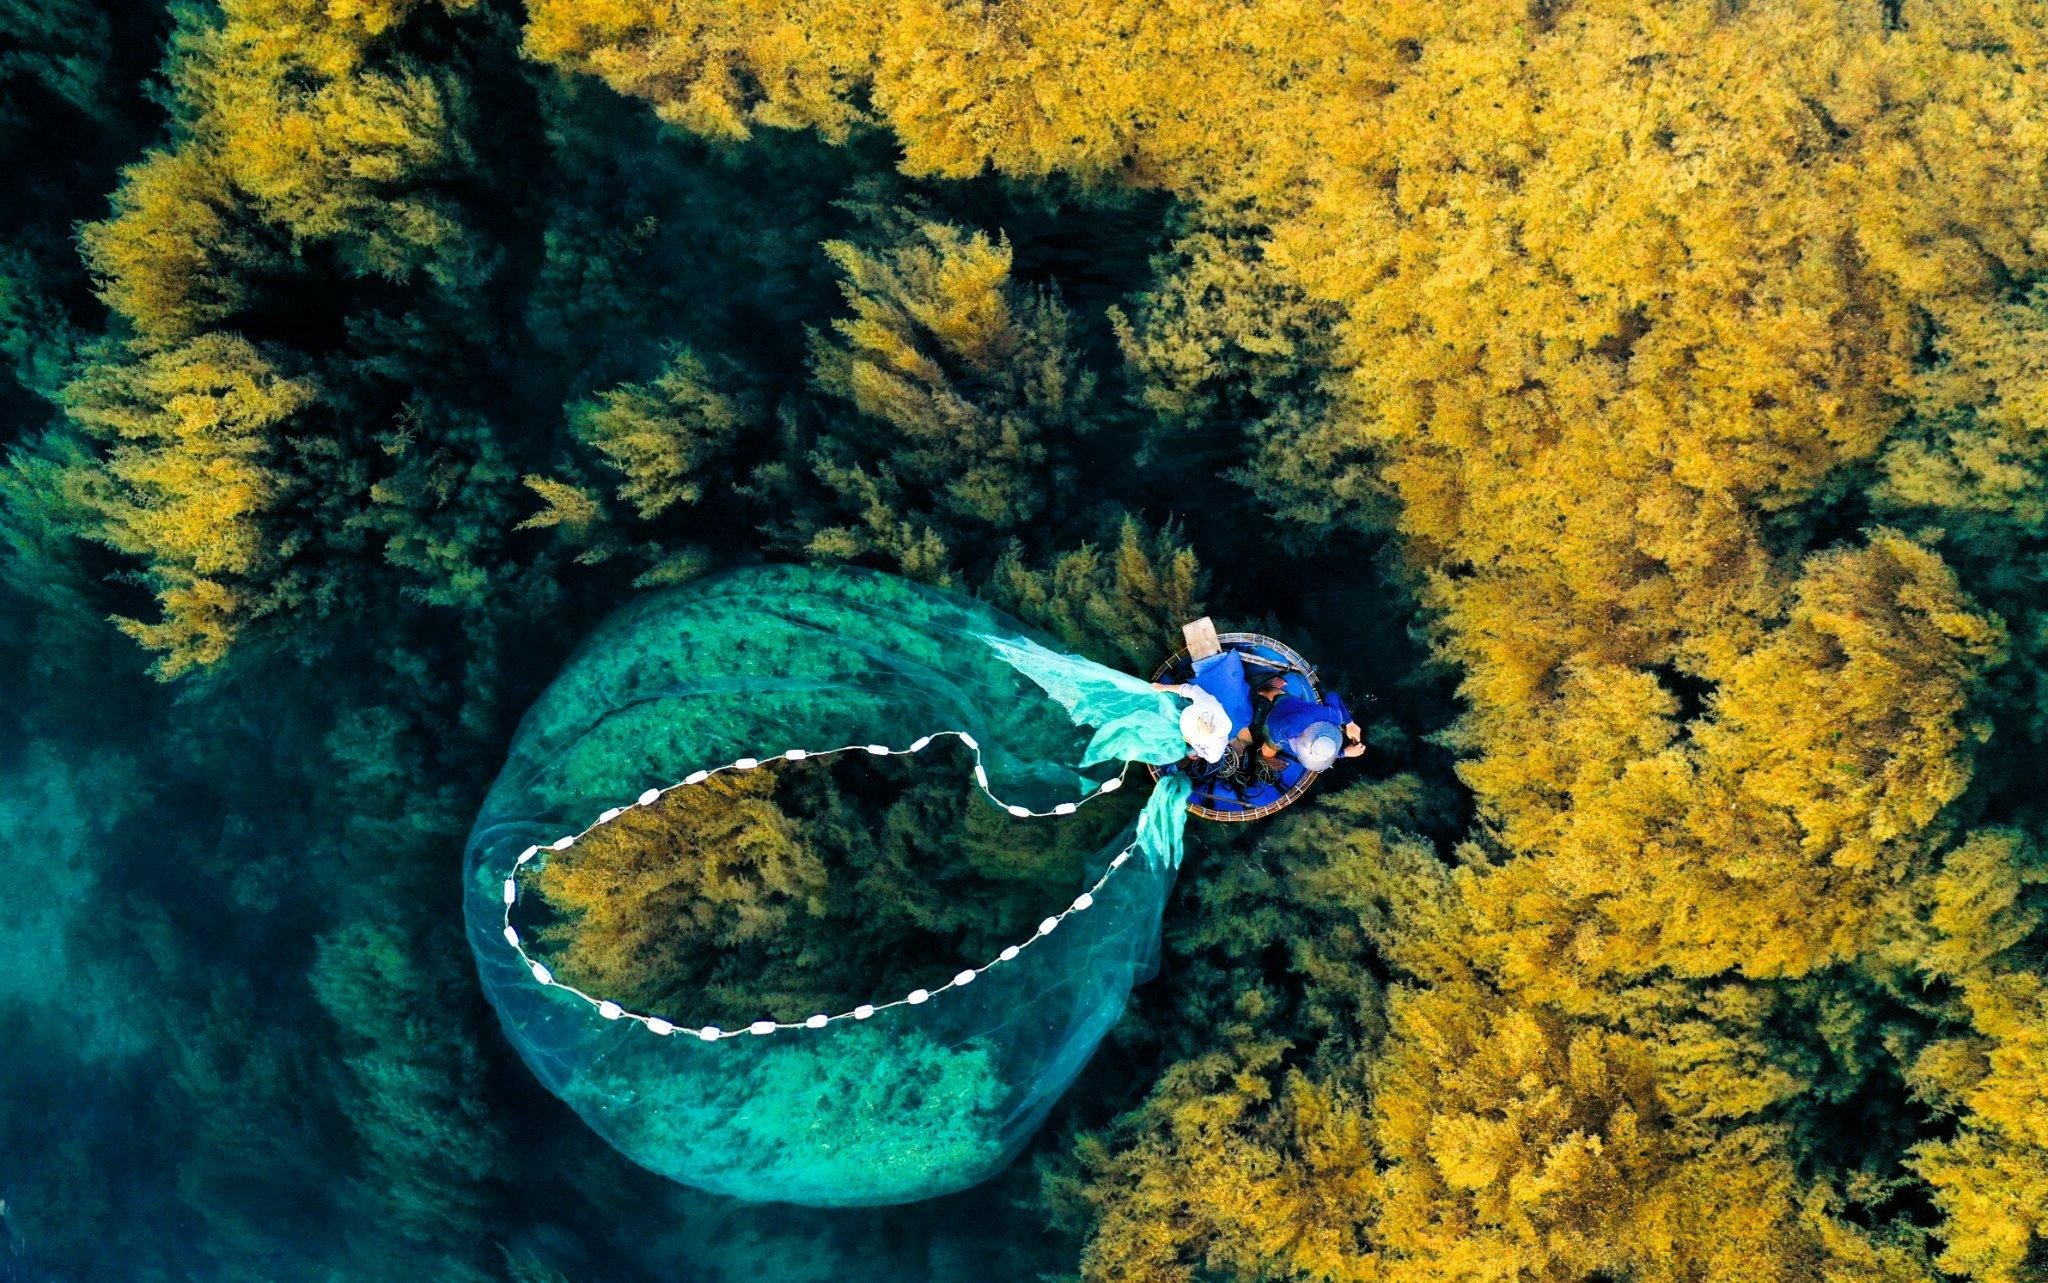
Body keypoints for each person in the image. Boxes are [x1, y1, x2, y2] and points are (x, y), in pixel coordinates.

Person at [1255, 676, 1364, 773]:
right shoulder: (1287, 733)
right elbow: (1275, 742)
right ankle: (1264, 691)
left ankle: (1270, 691)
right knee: (1268, 750)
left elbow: (1332, 696)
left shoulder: (1333, 716)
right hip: (1275, 719)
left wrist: (1350, 723)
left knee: (1281, 697)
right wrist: (1267, 758)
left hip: (1290, 705)